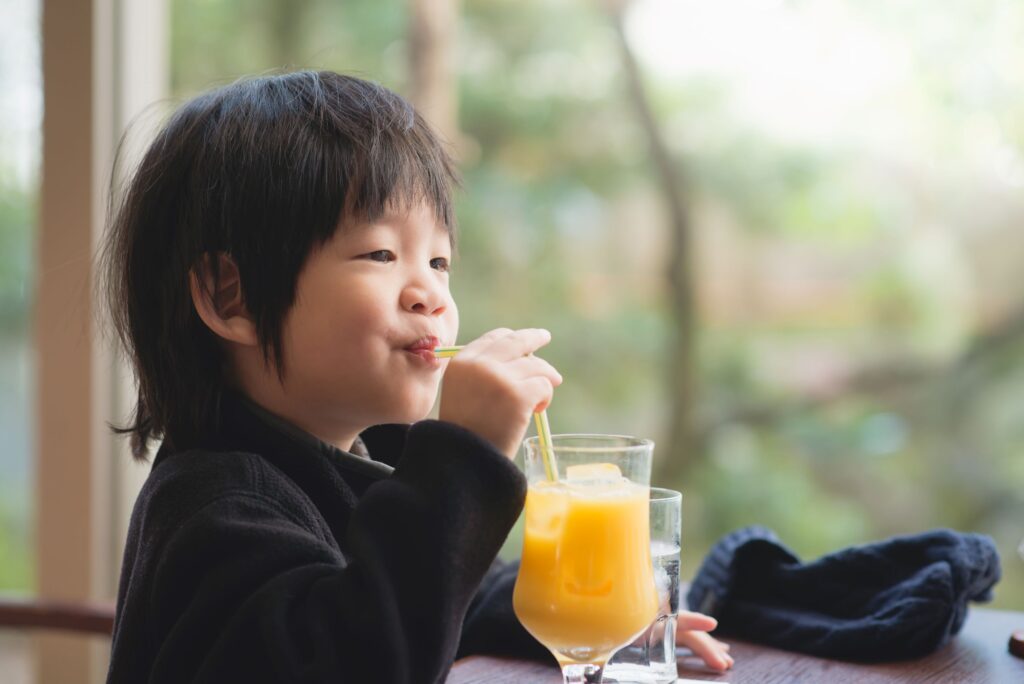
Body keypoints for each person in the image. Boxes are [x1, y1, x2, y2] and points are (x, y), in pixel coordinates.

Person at [100, 70, 732, 683]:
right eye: (381, 253)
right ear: (229, 296)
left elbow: (450, 596)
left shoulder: (352, 465)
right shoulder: (219, 508)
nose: (430, 293)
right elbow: (365, 658)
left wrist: (595, 611)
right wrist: (466, 455)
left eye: (438, 260)